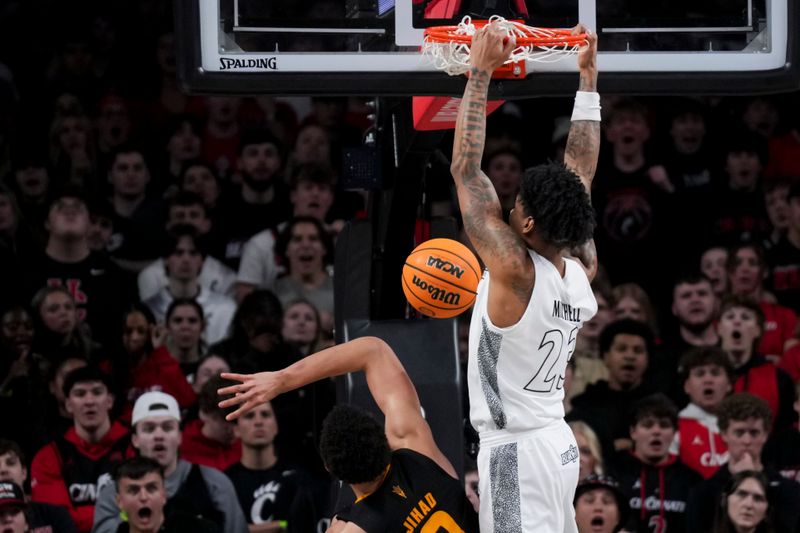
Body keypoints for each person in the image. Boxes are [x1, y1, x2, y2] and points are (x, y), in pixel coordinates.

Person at [448, 22, 600, 533]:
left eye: (515, 207)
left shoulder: (514, 270)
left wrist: (479, 70)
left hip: (517, 450)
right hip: (557, 443)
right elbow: (578, 173)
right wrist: (587, 85)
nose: (509, 208)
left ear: (529, 224)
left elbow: (467, 172)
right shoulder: (581, 269)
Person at [217, 336, 479, 532]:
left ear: (330, 468)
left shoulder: (353, 528)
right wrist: (281, 380)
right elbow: (373, 351)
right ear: (382, 437)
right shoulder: (414, 443)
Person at [92, 392, 248, 533]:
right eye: (149, 429)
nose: (159, 435)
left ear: (180, 436)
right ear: (135, 439)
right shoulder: (114, 493)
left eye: (167, 428)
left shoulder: (214, 483)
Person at [31, 366, 129, 533]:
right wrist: (116, 516)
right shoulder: (48, 457)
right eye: (80, 394)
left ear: (110, 401)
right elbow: (56, 520)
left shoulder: (132, 445)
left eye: (97, 392)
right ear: (68, 404)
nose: (89, 401)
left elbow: (142, 507)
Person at [686, 393, 800, 533]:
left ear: (765, 435)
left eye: (754, 433)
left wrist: (754, 481)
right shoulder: (702, 494)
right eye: (739, 433)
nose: (747, 441)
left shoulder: (789, 491)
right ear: (724, 434)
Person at [609, 394, 701, 533]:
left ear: (674, 433)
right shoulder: (615, 473)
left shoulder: (691, 480)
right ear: (633, 432)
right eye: (648, 425)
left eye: (664, 425)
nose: (656, 431)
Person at [225, 401, 316, 532]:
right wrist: (278, 526)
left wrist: (284, 525)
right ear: (236, 430)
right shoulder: (225, 483)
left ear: (276, 426)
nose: (258, 422)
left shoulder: (298, 479)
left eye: (265, 414)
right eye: (249, 416)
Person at [670, 347, 733, 479]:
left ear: (729, 384)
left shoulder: (743, 427)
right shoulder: (674, 428)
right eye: (700, 374)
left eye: (715, 373)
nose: (708, 380)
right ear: (687, 386)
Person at [111, 457, 219, 533]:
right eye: (133, 490)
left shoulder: (201, 530)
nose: (143, 497)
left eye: (151, 488)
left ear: (164, 495)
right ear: (119, 501)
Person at [0, 439, 76, 533]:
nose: (3, 470)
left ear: (24, 472)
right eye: (1, 514)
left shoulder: (55, 515)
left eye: (10, 463)